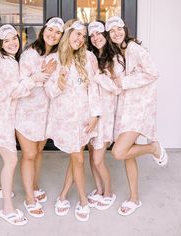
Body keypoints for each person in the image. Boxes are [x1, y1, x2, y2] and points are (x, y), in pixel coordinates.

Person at [105, 16, 168, 216]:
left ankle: (153, 147)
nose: (116, 33)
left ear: (125, 29)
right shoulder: (116, 55)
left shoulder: (135, 49)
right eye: (112, 31)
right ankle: (134, 198)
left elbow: (153, 73)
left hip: (138, 109)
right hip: (123, 110)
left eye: (119, 29)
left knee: (118, 152)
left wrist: (124, 81)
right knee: (128, 154)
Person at [0, 24, 39, 225]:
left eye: (14, 38)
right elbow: (16, 91)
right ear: (0, 44)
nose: (12, 43)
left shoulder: (6, 61)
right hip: (0, 118)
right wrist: (36, 78)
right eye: (6, 41)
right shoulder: (8, 64)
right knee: (12, 160)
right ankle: (7, 209)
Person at [45, 19, 101, 221]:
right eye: (77, 34)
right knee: (77, 158)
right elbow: (49, 92)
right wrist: (59, 80)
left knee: (76, 158)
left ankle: (62, 197)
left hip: (84, 119)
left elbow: (93, 88)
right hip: (65, 122)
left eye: (83, 36)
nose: (80, 39)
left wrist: (95, 114)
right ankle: (83, 201)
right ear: (68, 34)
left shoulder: (87, 57)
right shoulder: (53, 59)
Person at [15, 17, 64, 218]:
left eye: (57, 33)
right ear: (44, 30)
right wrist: (44, 73)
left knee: (38, 152)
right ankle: (29, 198)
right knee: (29, 154)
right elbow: (21, 84)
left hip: (45, 113)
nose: (52, 35)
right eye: (50, 30)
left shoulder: (57, 56)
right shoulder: (29, 54)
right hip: (26, 111)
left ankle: (34, 186)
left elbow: (55, 85)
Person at [86, 21, 120, 210]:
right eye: (92, 35)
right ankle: (99, 189)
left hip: (105, 116)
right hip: (92, 113)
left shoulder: (113, 59)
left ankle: (108, 192)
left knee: (98, 159)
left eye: (99, 33)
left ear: (106, 35)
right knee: (92, 156)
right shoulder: (92, 58)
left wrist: (98, 76)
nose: (96, 37)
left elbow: (116, 88)